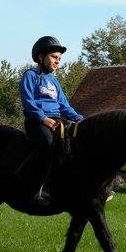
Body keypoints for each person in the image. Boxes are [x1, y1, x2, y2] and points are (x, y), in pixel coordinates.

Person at [19, 35, 84, 206]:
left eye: (59, 59)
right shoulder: (30, 75)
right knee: (48, 141)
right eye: (54, 57)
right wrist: (42, 118)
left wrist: (81, 119)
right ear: (41, 57)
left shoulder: (54, 81)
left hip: (57, 121)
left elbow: (64, 106)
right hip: (36, 122)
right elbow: (28, 102)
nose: (57, 62)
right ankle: (41, 187)